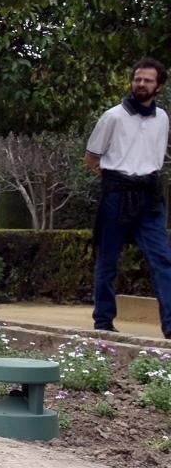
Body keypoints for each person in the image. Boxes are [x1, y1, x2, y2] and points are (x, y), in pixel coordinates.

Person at [85, 57, 171, 337]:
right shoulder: (113, 116)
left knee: (162, 260)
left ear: (159, 85)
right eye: (137, 79)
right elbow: (92, 157)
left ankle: (170, 326)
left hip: (150, 195)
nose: (141, 84)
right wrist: (115, 180)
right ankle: (103, 323)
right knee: (108, 261)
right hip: (118, 194)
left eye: (147, 80)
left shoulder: (163, 118)